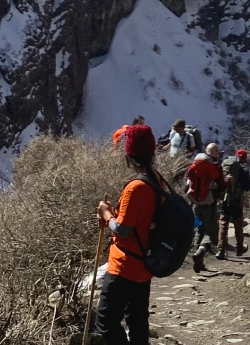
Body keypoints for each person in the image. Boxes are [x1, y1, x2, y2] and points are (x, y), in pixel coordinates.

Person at [95, 124, 163, 345]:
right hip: (145, 264)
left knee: (105, 320)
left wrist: (106, 214)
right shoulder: (157, 180)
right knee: (137, 320)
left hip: (125, 266)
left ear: (129, 154)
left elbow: (123, 230)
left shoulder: (136, 187)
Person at [186, 142, 223, 272]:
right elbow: (220, 183)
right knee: (210, 233)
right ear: (213, 153)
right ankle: (201, 251)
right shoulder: (213, 166)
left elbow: (187, 182)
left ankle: (198, 258)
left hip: (195, 202)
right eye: (217, 151)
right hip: (209, 202)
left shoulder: (194, 163)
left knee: (199, 229)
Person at [217, 147, 250, 259]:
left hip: (225, 199)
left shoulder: (227, 166)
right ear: (245, 159)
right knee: (238, 224)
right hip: (237, 201)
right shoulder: (244, 170)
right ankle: (239, 248)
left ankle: (221, 250)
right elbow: (247, 188)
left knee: (223, 224)